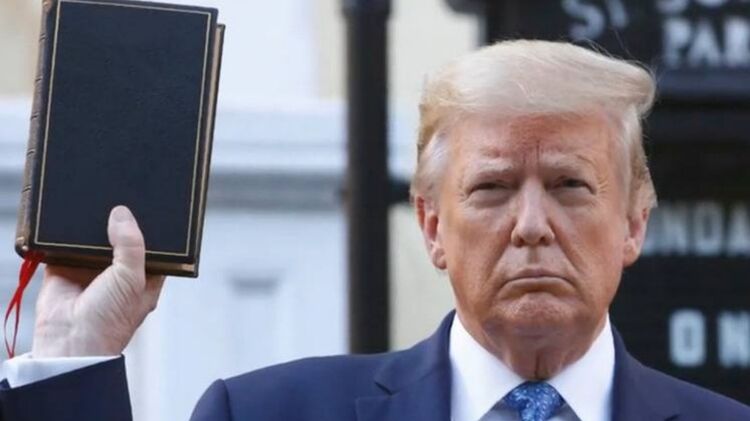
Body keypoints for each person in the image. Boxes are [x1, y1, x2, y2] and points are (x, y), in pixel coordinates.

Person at [1, 40, 748, 421]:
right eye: (491, 188)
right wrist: (72, 362)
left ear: (633, 223)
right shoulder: (268, 416)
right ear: (432, 224)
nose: (530, 226)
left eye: (569, 186)